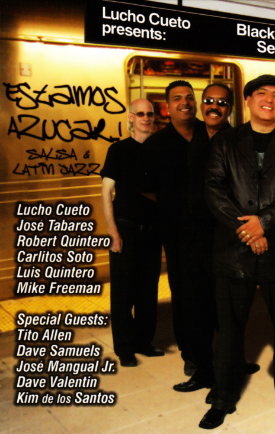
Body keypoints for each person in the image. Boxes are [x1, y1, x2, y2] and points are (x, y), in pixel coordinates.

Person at [199, 75, 275, 429]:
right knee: (229, 331)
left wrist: (264, 223)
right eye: (262, 93)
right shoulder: (224, 142)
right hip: (233, 253)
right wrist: (249, 231)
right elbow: (213, 190)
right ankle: (223, 397)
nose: (270, 99)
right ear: (249, 100)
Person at [172, 83, 259, 395]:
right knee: (196, 309)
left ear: (230, 108)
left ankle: (231, 364)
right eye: (208, 100)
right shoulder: (192, 138)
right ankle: (203, 371)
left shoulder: (238, 140)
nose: (214, 106)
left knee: (227, 311)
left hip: (226, 239)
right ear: (201, 105)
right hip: (193, 241)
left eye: (221, 102)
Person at [140, 80, 205, 376]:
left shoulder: (212, 134)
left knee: (218, 292)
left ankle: (226, 352)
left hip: (214, 228)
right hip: (177, 232)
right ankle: (191, 354)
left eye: (189, 97)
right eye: (177, 98)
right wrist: (175, 205)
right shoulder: (156, 144)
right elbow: (146, 188)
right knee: (184, 293)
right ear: (167, 106)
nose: (185, 102)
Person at [101, 98, 165, 367]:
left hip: (153, 232)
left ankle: (143, 342)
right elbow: (106, 193)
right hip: (125, 229)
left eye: (149, 114)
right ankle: (124, 347)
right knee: (123, 293)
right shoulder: (118, 150)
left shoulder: (159, 149)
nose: (146, 118)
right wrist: (113, 232)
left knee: (148, 291)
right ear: (130, 117)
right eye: (140, 114)